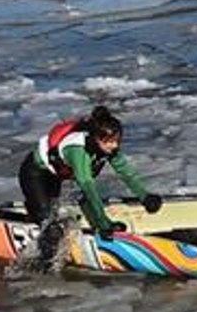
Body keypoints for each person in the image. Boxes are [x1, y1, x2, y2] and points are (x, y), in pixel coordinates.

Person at [20, 105, 162, 262]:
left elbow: (126, 173)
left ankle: (34, 214)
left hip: (55, 176)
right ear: (96, 139)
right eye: (110, 142)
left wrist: (145, 196)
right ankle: (40, 266)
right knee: (50, 226)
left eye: (117, 141)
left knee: (51, 215)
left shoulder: (107, 149)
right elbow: (88, 189)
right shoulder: (78, 151)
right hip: (35, 173)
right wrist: (103, 224)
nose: (114, 146)